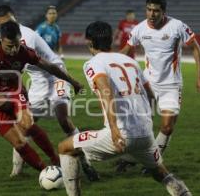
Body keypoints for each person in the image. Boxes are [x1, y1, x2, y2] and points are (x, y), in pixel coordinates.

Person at [0, 5, 99, 181]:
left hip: (55, 76)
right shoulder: (2, 38)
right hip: (36, 81)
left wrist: (71, 81)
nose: (6, 26)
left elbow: (48, 65)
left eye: (9, 21)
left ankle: (84, 163)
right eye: (2, 24)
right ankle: (21, 171)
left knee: (63, 119)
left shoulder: (22, 38)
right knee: (25, 127)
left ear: (15, 19)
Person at [58, 21, 192, 196]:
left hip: (120, 135)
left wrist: (114, 129)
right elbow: (150, 95)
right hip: (145, 134)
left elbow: (106, 91)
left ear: (89, 42)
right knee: (161, 173)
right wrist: (145, 121)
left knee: (65, 148)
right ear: (112, 39)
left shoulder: (93, 63)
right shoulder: (130, 61)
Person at [0, 21, 82, 174]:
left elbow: (51, 67)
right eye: (9, 46)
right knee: (19, 143)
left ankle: (55, 160)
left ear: (20, 39)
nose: (13, 50)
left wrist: (72, 82)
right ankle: (45, 172)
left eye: (16, 45)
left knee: (28, 125)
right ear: (1, 41)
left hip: (15, 91)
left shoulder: (25, 51)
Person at [118, 0, 200, 170]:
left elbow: (196, 48)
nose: (152, 14)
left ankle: (152, 161)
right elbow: (126, 50)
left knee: (166, 127)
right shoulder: (139, 29)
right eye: (149, 10)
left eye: (156, 10)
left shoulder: (177, 26)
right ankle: (129, 159)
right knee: (140, 124)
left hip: (171, 86)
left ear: (163, 12)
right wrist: (107, 61)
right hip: (147, 84)